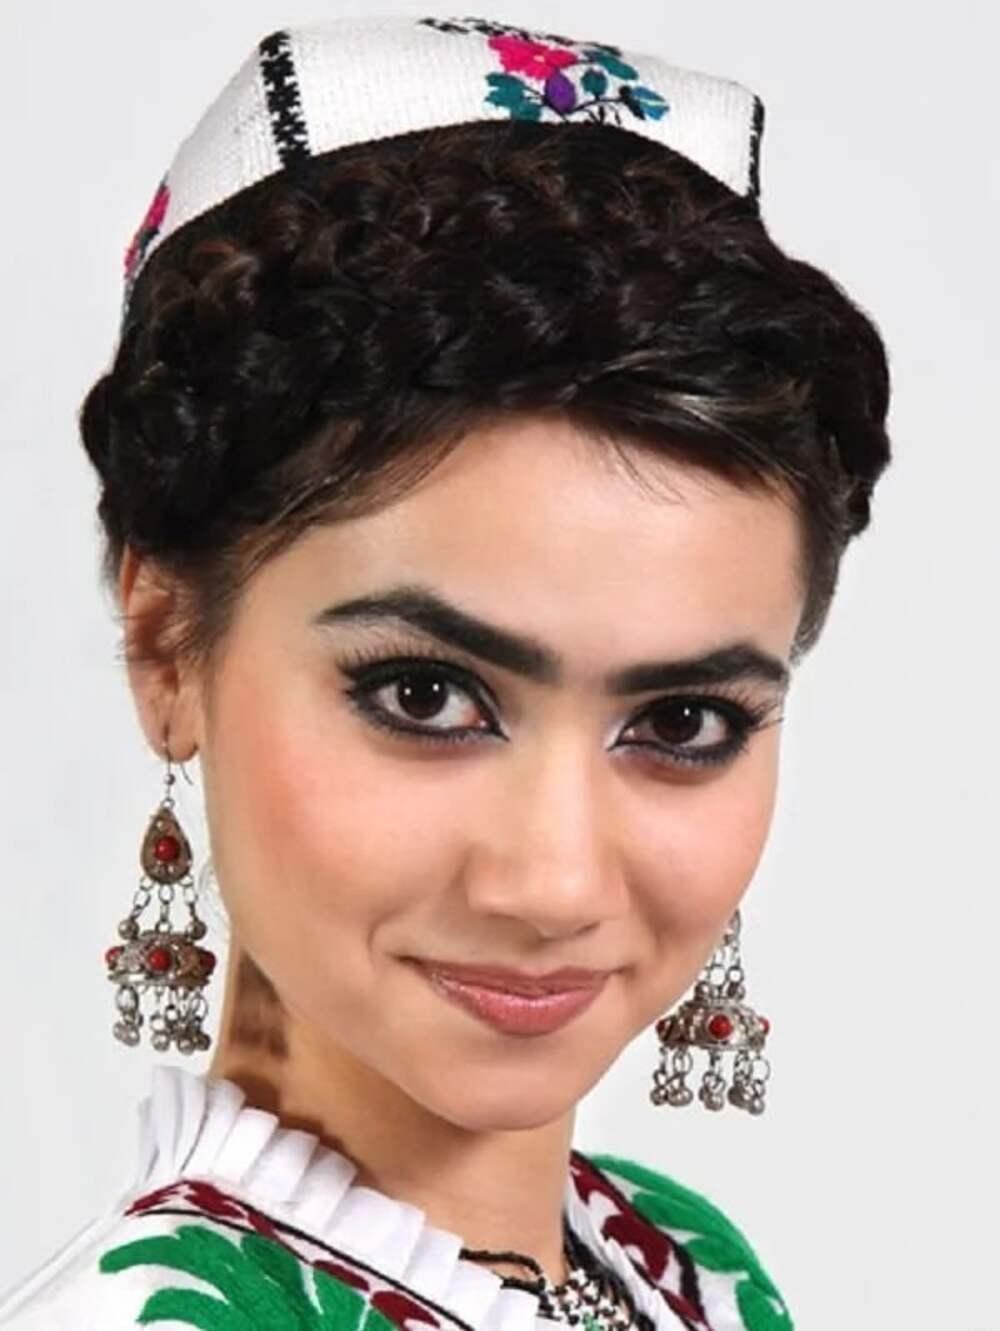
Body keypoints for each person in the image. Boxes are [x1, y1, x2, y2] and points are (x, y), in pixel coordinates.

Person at [0, 13, 891, 1331]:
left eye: (682, 721)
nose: (554, 883)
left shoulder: (683, 1267)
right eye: (425, 697)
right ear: (166, 644)